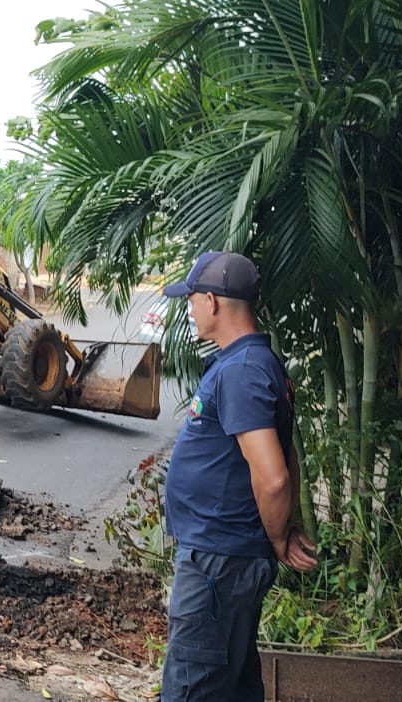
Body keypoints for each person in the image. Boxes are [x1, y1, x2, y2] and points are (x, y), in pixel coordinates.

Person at [159, 251, 318, 702]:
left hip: (218, 563)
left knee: (193, 690)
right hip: (223, 559)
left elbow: (274, 479)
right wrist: (278, 533)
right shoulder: (249, 364)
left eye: (191, 299)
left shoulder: (244, 370)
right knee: (232, 687)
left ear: (212, 301)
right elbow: (288, 460)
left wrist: (277, 538)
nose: (189, 309)